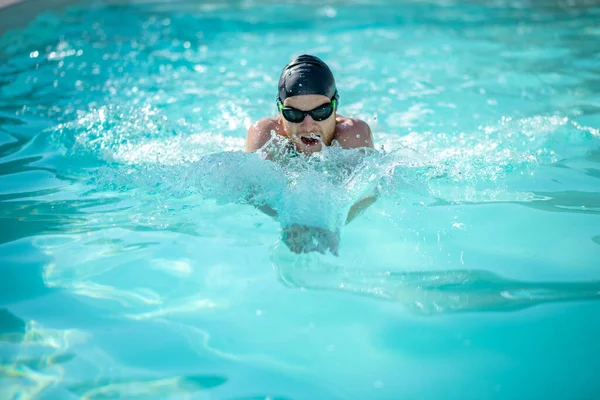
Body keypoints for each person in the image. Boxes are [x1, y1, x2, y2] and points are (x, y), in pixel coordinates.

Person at [244, 54, 377, 255]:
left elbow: (368, 193)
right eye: (294, 114)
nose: (308, 125)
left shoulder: (352, 135)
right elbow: (250, 192)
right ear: (280, 111)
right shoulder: (267, 136)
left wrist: (332, 224)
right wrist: (290, 222)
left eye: (321, 111)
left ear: (335, 106)